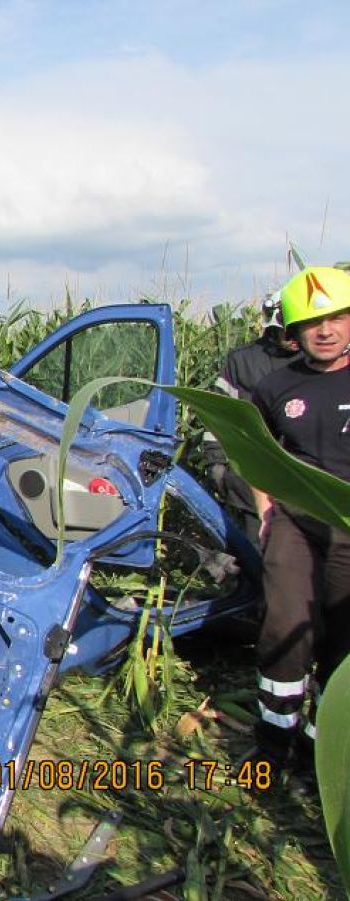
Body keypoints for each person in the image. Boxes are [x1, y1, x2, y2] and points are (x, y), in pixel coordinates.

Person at [249, 266, 350, 770]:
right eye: (312, 322)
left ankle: (320, 750)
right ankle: (273, 743)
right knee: (285, 627)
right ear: (293, 331)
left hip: (348, 524)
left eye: (336, 318)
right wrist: (266, 511)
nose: (325, 330)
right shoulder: (276, 387)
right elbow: (255, 453)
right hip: (296, 520)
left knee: (344, 640)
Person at [200, 293, 299, 547]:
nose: (294, 337)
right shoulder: (242, 361)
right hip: (251, 483)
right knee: (257, 553)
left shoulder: (316, 362)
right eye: (288, 329)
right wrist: (217, 467)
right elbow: (217, 415)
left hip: (303, 485)